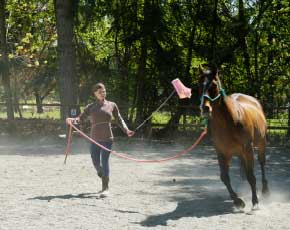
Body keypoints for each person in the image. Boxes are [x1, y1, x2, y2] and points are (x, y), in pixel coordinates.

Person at [75, 83, 134, 197]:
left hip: (107, 138)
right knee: (95, 159)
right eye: (100, 92)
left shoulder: (112, 105)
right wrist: (72, 120)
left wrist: (126, 130)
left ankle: (105, 188)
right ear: (95, 94)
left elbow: (119, 118)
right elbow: (80, 118)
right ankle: (102, 174)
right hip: (94, 138)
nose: (103, 94)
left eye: (104, 91)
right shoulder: (90, 107)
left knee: (104, 160)